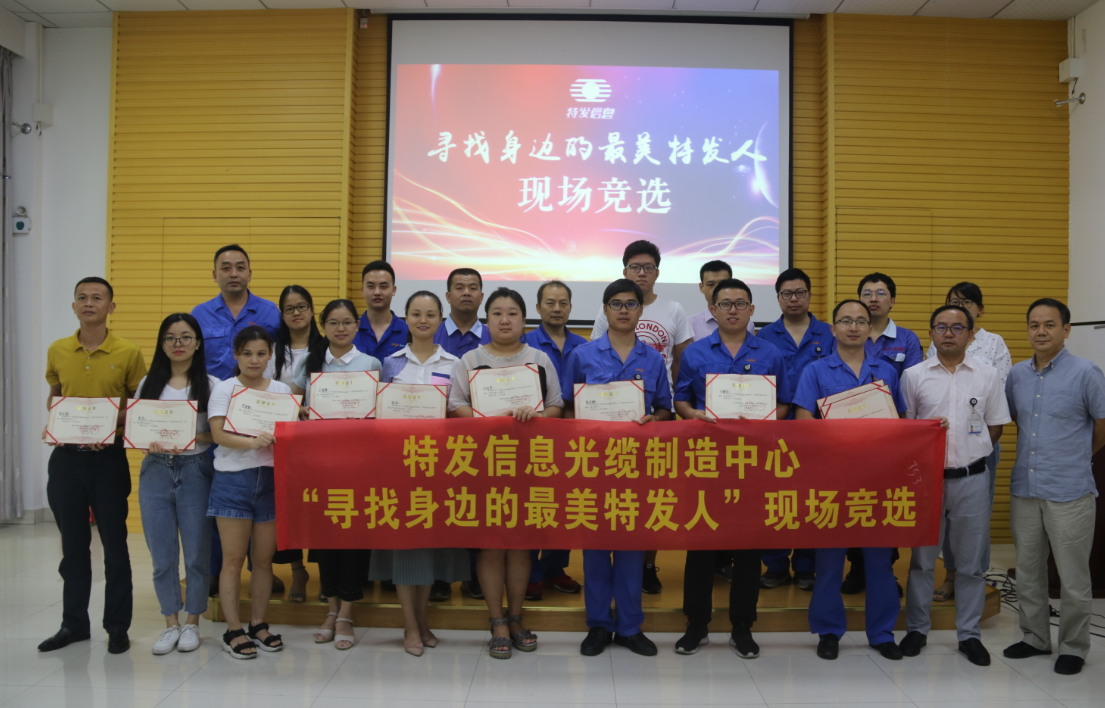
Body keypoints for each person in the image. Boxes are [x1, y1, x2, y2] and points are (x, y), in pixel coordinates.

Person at [673, 277, 791, 659]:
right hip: (706, 460)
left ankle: (743, 626)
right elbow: (680, 400)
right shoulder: (696, 353)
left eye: (741, 303)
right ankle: (696, 624)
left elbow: (785, 403)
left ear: (752, 310)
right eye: (725, 303)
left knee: (748, 546)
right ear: (713, 310)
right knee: (701, 544)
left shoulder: (771, 353)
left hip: (753, 462)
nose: (733, 309)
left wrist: (765, 419)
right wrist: (694, 415)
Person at [448, 287, 563, 660]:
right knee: (491, 543)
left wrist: (537, 415)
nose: (504, 320)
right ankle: (496, 620)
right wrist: (485, 418)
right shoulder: (469, 360)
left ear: (524, 320)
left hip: (528, 464)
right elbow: (454, 403)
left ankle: (516, 618)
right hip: (484, 464)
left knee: (520, 543)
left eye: (512, 313)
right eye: (497, 313)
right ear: (487, 320)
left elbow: (557, 405)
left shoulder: (540, 359)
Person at [792, 299, 908, 662]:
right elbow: (802, 421)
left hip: (878, 480)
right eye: (846, 321)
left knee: (879, 563)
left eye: (860, 321)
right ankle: (829, 631)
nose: (853, 327)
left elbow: (900, 421)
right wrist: (839, 436)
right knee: (829, 562)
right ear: (834, 329)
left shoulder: (886, 372)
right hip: (832, 479)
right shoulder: (815, 370)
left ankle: (882, 633)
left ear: (871, 329)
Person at [563, 279, 672, 658]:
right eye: (616, 303)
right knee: (595, 549)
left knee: (630, 549)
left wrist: (654, 420)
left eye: (631, 304)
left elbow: (664, 409)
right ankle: (598, 624)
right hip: (592, 467)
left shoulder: (653, 359)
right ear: (605, 309)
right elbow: (566, 409)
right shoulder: (582, 356)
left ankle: (629, 627)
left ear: (641, 310)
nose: (623, 310)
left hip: (637, 467)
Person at [38, 277, 147, 655]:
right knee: (72, 548)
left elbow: (137, 406)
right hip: (66, 459)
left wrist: (105, 427)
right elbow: (55, 396)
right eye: (82, 298)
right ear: (73, 306)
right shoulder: (58, 349)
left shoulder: (128, 352)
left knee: (115, 546)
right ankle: (73, 624)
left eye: (97, 298)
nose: (89, 303)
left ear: (110, 307)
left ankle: (117, 626)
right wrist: (56, 422)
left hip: (107, 459)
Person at [899, 305, 1010, 667]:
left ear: (970, 335)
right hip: (927, 482)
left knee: (970, 564)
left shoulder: (987, 375)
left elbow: (995, 425)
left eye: (957, 327)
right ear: (931, 333)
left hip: (972, 479)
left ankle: (969, 635)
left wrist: (972, 452)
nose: (948, 333)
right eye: (941, 327)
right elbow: (907, 429)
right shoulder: (913, 376)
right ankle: (917, 629)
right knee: (922, 561)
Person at [1002, 298, 1105, 676]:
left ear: (1066, 330)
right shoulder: (1016, 375)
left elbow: (1102, 425)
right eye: (1034, 325)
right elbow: (1016, 419)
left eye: (1049, 324)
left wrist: (1076, 458)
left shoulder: (1086, 372)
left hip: (1070, 491)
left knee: (1073, 576)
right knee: (1029, 572)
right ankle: (1035, 638)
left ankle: (1074, 646)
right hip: (1025, 488)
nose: (1041, 331)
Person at [369, 291, 471, 656]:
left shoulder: (456, 363)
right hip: (398, 466)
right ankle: (409, 625)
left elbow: (460, 412)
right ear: (406, 319)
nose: (423, 320)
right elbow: (378, 413)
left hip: (439, 466)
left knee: (429, 546)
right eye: (416, 314)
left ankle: (423, 619)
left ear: (440, 319)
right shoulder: (391, 363)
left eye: (430, 314)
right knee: (403, 547)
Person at [590, 240, 693, 594]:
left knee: (648, 502)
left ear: (657, 272)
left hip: (653, 421)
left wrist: (668, 412)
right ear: (625, 270)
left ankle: (646, 566)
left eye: (648, 267)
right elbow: (592, 362)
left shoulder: (673, 310)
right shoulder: (603, 318)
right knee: (604, 504)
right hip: (604, 426)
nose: (642, 273)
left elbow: (680, 363)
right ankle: (603, 576)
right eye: (635, 267)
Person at [292, 300, 382, 651]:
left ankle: (346, 612)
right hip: (320, 464)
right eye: (333, 322)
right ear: (323, 327)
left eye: (347, 322)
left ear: (357, 325)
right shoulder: (309, 362)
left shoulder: (370, 364)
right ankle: (331, 608)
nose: (340, 328)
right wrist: (302, 411)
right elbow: (294, 406)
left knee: (354, 539)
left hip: (359, 464)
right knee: (325, 537)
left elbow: (380, 412)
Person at [137, 313, 219, 655]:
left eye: (186, 337)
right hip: (155, 471)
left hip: (196, 470)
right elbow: (139, 430)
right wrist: (150, 442)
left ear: (197, 343)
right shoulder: (148, 383)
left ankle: (192, 621)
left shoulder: (211, 385)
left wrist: (188, 437)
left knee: (198, 554)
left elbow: (219, 433)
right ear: (162, 344)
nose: (178, 344)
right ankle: (170, 622)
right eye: (170, 338)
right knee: (162, 554)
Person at [207, 326, 290, 659]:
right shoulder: (224, 388)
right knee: (232, 561)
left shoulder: (282, 390)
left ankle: (258, 624)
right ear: (236, 355)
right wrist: (252, 442)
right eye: (247, 353)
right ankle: (233, 629)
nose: (254, 360)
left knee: (263, 561)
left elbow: (289, 434)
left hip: (270, 481)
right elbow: (217, 434)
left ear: (270, 355)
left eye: (260, 353)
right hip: (232, 481)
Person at [926, 282, 1012, 603]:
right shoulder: (938, 340)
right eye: (953, 301)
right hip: (943, 445)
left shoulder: (994, 342)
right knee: (945, 514)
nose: (959, 307)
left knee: (977, 515)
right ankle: (950, 574)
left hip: (982, 441)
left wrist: (981, 444)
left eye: (966, 303)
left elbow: (998, 392)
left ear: (979, 310)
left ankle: (975, 575)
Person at [843, 273, 922, 594]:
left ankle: (885, 570)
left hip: (889, 436)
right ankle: (856, 568)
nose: (873, 298)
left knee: (885, 505)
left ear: (892, 300)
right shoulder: (849, 333)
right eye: (867, 293)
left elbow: (912, 383)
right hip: (848, 438)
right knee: (853, 504)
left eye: (880, 292)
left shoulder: (907, 338)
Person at [756, 267, 833, 592]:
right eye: (787, 294)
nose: (794, 299)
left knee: (811, 499)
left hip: (817, 431)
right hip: (774, 430)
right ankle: (775, 566)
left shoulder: (829, 333)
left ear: (810, 295)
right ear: (778, 298)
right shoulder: (763, 337)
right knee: (775, 499)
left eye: (800, 292)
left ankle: (806, 567)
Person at [522, 280, 586, 601]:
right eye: (550, 303)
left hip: (572, 440)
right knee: (536, 503)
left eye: (563, 303)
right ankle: (531, 573)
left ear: (571, 308)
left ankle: (555, 568)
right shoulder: (524, 344)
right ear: (538, 308)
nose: (557, 309)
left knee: (566, 505)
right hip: (533, 439)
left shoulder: (584, 346)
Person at [433, 267, 491, 601]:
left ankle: (474, 575)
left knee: (479, 507)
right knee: (442, 507)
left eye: (473, 287)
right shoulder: (431, 333)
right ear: (448, 295)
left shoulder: (495, 335)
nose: (466, 292)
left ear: (481, 296)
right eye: (459, 287)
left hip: (485, 442)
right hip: (439, 441)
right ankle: (441, 576)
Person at [264, 284, 323, 602]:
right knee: (285, 508)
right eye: (289, 308)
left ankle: (325, 572)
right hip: (279, 441)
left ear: (312, 310)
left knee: (317, 507)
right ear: (282, 314)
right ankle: (298, 570)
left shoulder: (326, 347)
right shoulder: (271, 350)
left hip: (316, 442)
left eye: (302, 306)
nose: (296, 313)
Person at [191, 244, 281, 380]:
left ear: (249, 274)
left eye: (240, 268)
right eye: (226, 268)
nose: (234, 274)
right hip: (211, 390)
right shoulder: (199, 314)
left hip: (257, 391)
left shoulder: (270, 311)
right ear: (215, 275)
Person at [354, 260, 409, 361]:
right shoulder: (351, 330)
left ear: (393, 290)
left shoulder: (408, 331)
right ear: (362, 290)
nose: (377, 292)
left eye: (383, 287)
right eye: (371, 286)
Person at [687, 260, 754, 341]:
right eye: (711, 285)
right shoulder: (690, 324)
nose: (717, 289)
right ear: (701, 287)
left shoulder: (747, 324)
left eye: (722, 284)